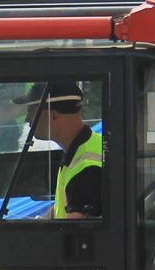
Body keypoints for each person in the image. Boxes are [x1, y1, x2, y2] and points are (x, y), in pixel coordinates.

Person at [18, 80, 103, 219]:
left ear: (53, 115)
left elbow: (74, 228)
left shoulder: (87, 170)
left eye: (31, 112)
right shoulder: (86, 146)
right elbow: (64, 205)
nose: (27, 119)